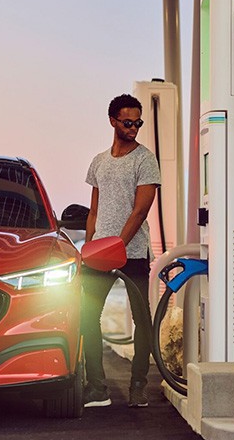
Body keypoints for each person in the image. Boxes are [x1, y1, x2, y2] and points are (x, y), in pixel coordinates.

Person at [81, 94, 161, 408]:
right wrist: (88, 248)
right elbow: (93, 212)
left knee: (143, 319)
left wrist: (117, 246)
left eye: (138, 123)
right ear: (113, 121)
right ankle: (97, 388)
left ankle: (138, 386)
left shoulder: (145, 160)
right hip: (99, 254)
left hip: (134, 253)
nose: (134, 128)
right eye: (128, 122)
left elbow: (140, 211)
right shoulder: (99, 161)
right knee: (87, 317)